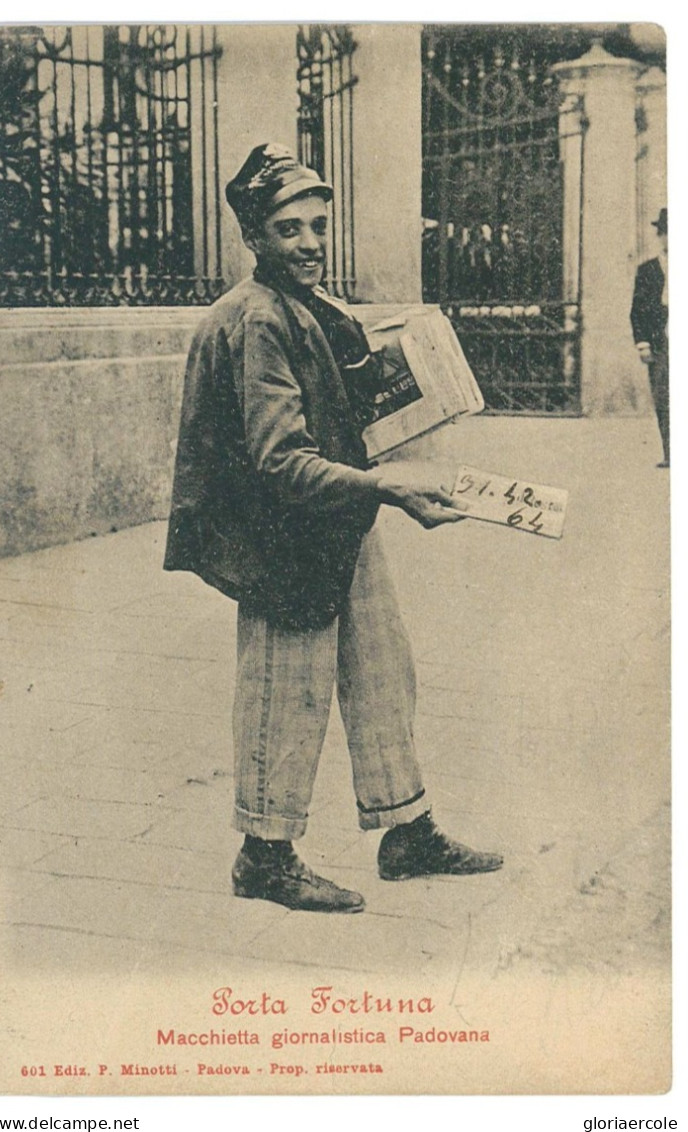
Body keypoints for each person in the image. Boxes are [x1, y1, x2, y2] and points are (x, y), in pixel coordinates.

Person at [164, 143, 503, 913]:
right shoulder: (256, 319)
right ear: (255, 237)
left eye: (319, 225)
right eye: (289, 229)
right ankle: (265, 854)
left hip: (336, 518)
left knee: (382, 668)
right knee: (286, 689)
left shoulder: (306, 306)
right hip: (279, 535)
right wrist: (393, 486)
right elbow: (282, 462)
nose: (311, 243)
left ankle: (406, 828)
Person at [631, 207, 669, 468]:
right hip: (662, 343)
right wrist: (643, 344)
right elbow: (637, 311)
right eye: (667, 233)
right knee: (665, 396)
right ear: (661, 236)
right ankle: (671, 452)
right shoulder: (649, 270)